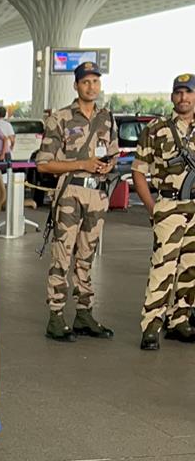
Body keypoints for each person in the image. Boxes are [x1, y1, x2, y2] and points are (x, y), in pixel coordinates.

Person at [36, 61, 118, 341]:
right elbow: (44, 165)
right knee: (62, 254)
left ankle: (84, 314)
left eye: (95, 81)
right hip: (71, 192)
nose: (91, 86)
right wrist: (82, 162)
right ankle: (56, 316)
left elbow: (113, 152)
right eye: (86, 81)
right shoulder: (60, 118)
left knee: (86, 256)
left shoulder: (107, 117)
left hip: (97, 194)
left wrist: (109, 166)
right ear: (76, 85)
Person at [132, 73, 195, 350]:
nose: (184, 97)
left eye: (189, 92)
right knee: (162, 267)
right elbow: (138, 171)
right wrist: (153, 207)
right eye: (179, 92)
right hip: (169, 206)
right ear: (172, 97)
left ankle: (179, 320)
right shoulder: (156, 129)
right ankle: (151, 326)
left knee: (190, 267)